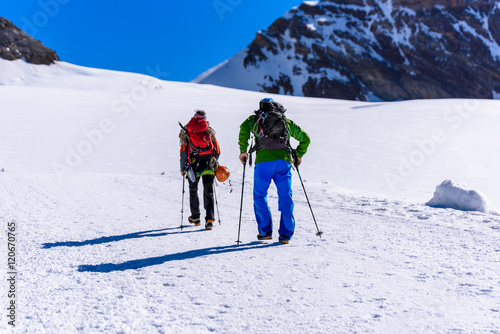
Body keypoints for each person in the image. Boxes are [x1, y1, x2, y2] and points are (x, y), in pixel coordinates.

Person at [238, 98, 310, 244]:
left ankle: (265, 231)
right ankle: (286, 234)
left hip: (263, 163)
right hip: (283, 163)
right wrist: (299, 155)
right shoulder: (286, 122)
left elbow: (243, 129)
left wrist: (243, 151)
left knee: (260, 195)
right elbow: (306, 139)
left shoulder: (255, 120)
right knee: (285, 196)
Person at [180, 110, 221, 230]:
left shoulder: (187, 132)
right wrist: (214, 162)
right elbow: (217, 150)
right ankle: (209, 220)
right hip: (208, 165)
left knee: (193, 190)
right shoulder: (209, 131)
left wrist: (183, 168)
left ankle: (195, 217)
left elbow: (183, 152)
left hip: (193, 166)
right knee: (209, 191)